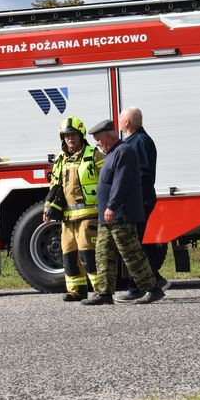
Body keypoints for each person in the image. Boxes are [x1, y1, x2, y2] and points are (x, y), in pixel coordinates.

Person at [83, 119, 166, 305]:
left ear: (108, 136)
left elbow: (121, 182)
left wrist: (112, 206)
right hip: (109, 217)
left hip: (121, 215)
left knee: (131, 254)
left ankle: (153, 289)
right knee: (103, 253)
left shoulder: (124, 152)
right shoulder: (112, 153)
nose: (97, 144)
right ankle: (104, 293)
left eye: (98, 140)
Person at [44, 117, 104, 301]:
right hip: (68, 218)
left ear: (81, 135)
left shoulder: (94, 154)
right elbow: (54, 187)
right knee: (68, 254)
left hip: (89, 214)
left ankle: (101, 290)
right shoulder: (60, 159)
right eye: (67, 135)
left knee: (88, 252)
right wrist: (48, 208)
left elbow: (107, 180)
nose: (70, 139)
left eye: (73, 135)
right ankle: (76, 290)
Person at [116, 107, 168, 301]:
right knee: (135, 244)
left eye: (121, 119)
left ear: (128, 122)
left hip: (140, 200)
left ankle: (137, 287)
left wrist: (125, 184)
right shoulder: (131, 142)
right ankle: (152, 279)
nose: (119, 122)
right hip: (134, 200)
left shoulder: (142, 142)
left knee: (134, 244)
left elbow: (145, 173)